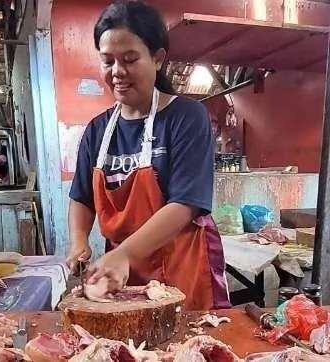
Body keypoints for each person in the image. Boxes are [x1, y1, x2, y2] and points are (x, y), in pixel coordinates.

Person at [66, 1, 230, 310]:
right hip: (120, 275)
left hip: (183, 268)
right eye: (107, 61)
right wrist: (79, 241)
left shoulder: (187, 118)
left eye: (129, 59)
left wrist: (125, 253)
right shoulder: (97, 130)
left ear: (157, 58)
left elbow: (185, 204)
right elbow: (82, 196)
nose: (117, 72)